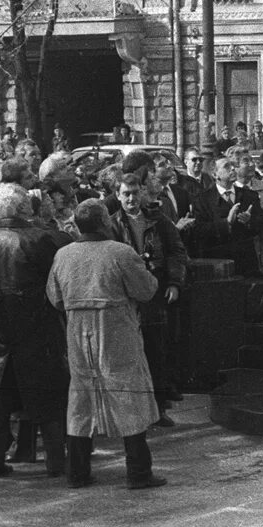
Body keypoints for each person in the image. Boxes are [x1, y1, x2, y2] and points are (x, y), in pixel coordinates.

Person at [49, 199, 168, 489]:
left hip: (78, 330)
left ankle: (77, 472)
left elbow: (54, 297)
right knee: (128, 392)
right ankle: (138, 472)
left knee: (81, 397)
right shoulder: (120, 253)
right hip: (115, 328)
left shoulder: (63, 255)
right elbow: (146, 289)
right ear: (105, 223)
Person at [0, 183, 70, 478]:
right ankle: (55, 460)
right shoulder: (45, 238)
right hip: (38, 325)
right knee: (48, 394)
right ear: (26, 209)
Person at [112, 173, 187, 426]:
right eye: (126, 194)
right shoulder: (112, 225)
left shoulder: (158, 220)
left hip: (155, 291)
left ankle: (158, 408)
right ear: (118, 196)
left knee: (156, 350)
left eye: (135, 193)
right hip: (126, 296)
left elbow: (177, 251)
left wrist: (175, 283)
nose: (131, 199)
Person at [186, 156, 263, 277]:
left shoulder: (249, 195)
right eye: (226, 166)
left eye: (232, 165)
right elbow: (199, 230)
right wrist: (226, 223)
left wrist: (249, 221)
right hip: (219, 265)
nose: (232, 169)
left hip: (247, 265)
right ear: (215, 174)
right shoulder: (202, 199)